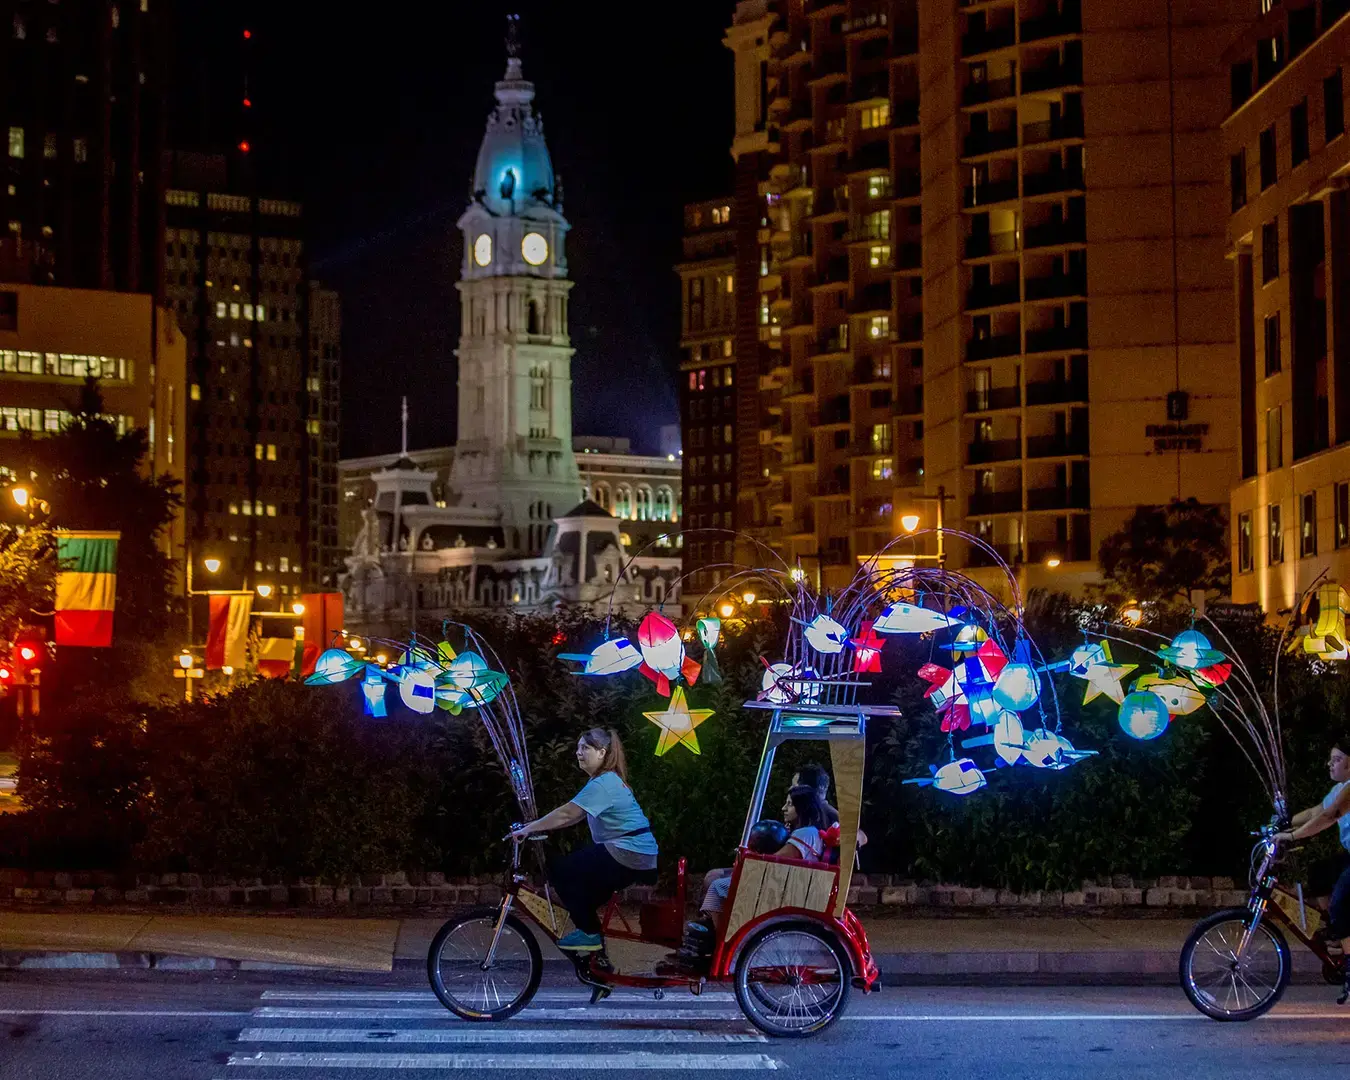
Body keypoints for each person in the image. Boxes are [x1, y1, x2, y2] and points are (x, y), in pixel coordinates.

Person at [508, 728, 657, 952]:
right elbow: (574, 817)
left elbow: (567, 813)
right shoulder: (605, 781)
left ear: (602, 753)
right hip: (632, 852)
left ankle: (590, 935)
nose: (578, 753)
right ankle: (599, 963)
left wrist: (529, 828)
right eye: (578, 748)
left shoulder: (604, 783)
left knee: (560, 872)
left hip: (628, 852)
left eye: (585, 748)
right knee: (580, 893)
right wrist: (536, 827)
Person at [673, 785, 828, 966]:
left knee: (717, 887)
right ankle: (711, 932)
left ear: (802, 808)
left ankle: (721, 944)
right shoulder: (809, 832)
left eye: (790, 805)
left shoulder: (805, 833)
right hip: (784, 882)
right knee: (718, 880)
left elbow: (776, 860)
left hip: (781, 887)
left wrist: (749, 857)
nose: (784, 808)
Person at [1274, 738, 1350, 989]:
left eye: (1337, 759)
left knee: (1340, 903)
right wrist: (1284, 824)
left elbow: (1329, 817)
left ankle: (1348, 965)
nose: (1330, 764)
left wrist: (1293, 836)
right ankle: (1337, 935)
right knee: (1319, 873)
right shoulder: (1341, 788)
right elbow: (1317, 811)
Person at [794, 762, 867, 861]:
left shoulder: (828, 813)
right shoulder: (811, 810)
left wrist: (842, 838)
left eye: (794, 786)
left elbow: (862, 837)